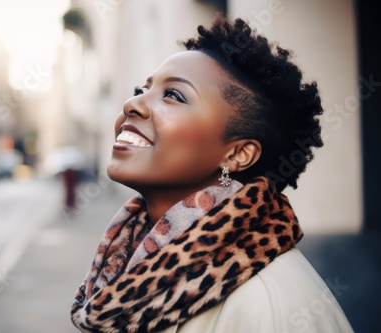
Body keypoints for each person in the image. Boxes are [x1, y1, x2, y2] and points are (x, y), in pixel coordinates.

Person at [71, 16, 353, 333]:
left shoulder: (272, 309)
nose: (132, 103)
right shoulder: (130, 259)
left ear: (237, 154)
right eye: (143, 88)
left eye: (173, 95)